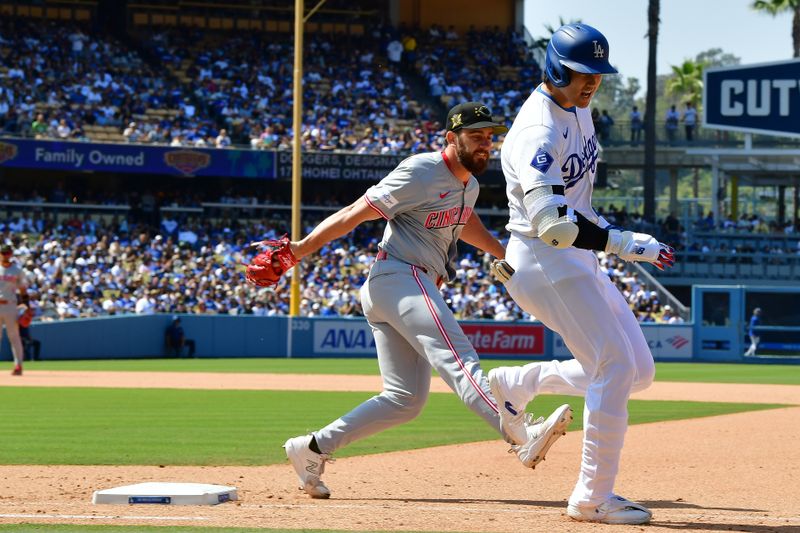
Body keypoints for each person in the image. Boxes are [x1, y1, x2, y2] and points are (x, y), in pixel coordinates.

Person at [283, 102, 572, 500]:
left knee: (404, 399)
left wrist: (502, 253)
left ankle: (312, 448)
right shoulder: (420, 170)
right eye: (476, 136)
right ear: (451, 139)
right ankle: (520, 432)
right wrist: (299, 250)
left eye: (489, 137)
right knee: (459, 360)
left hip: (403, 286)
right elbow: (357, 211)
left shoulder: (468, 184)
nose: (486, 144)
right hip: (401, 275)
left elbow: (465, 220)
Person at [489, 24, 674, 525]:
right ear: (555, 68)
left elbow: (576, 208)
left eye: (598, 74)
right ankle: (592, 497)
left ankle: (516, 383)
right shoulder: (537, 130)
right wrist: (623, 243)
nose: (592, 82)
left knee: (638, 370)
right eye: (581, 73)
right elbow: (551, 225)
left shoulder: (578, 109)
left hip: (575, 259)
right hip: (543, 258)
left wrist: (619, 239)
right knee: (613, 365)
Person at [0, 243, 27, 375]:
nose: (5, 255)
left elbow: (23, 289)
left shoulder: (17, 270)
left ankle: (18, 366)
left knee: (14, 337)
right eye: (3, 253)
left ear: (11, 254)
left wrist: (26, 305)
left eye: (7, 253)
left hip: (10, 305)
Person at [17, 295, 40, 361]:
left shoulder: (27, 319)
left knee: (37, 343)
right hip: (20, 339)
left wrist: (30, 338)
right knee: (26, 343)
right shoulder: (20, 319)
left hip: (26, 338)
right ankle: (27, 359)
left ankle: (36, 359)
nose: (32, 311)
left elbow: (27, 332)